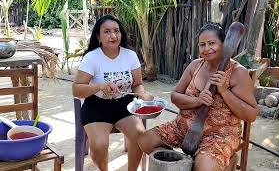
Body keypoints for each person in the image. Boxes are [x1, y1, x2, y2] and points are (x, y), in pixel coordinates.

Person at [138, 22, 259, 171]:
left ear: (224, 44)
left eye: (212, 43)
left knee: (204, 167)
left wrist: (224, 91)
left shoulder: (238, 72)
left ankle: (219, 160)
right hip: (183, 128)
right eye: (202, 45)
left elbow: (251, 114)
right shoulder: (195, 65)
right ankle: (187, 163)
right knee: (145, 140)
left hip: (220, 135)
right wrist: (197, 100)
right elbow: (175, 96)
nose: (207, 49)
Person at [72, 14, 152, 171]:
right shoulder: (92, 58)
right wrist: (99, 87)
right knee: (100, 145)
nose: (113, 35)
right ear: (99, 36)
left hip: (124, 106)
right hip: (96, 106)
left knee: (140, 136)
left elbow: (137, 84)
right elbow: (77, 89)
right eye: (107, 31)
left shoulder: (130, 56)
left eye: (116, 31)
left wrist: (142, 94)